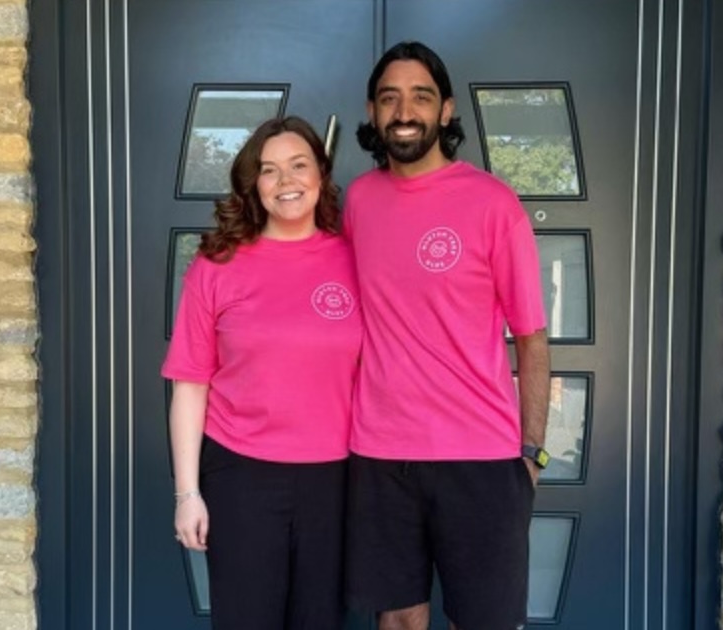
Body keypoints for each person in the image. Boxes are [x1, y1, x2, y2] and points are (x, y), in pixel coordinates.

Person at [343, 41, 552, 630]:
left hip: (480, 458)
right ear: (372, 112)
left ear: (447, 111)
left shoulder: (493, 204)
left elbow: (532, 337)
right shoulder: (358, 201)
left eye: (420, 96)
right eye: (390, 98)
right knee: (399, 621)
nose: (404, 110)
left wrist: (531, 454)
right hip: (381, 455)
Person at [162, 115, 361, 630]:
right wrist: (188, 494)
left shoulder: (356, 258)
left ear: (321, 173)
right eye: (269, 171)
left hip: (336, 480)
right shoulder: (217, 265)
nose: (286, 181)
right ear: (254, 184)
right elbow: (189, 383)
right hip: (241, 475)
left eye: (299, 166)